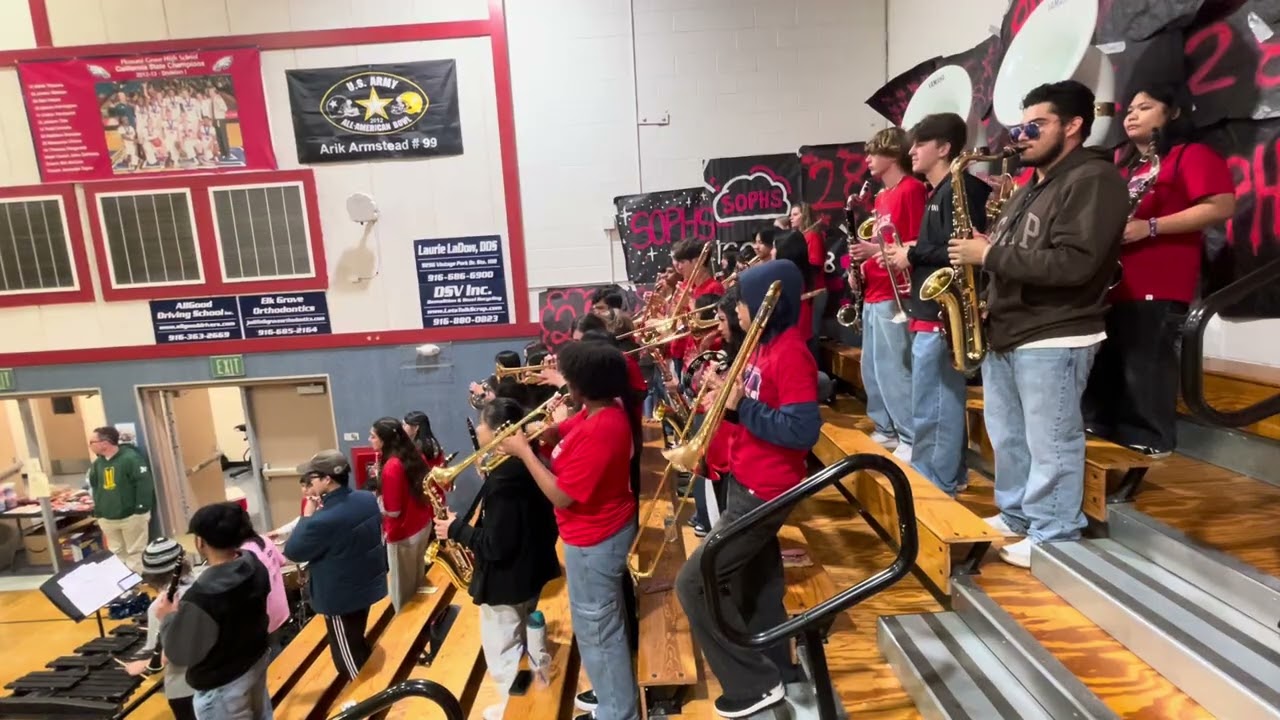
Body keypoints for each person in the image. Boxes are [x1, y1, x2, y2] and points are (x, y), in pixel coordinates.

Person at [949, 80, 1129, 568]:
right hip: (1012, 329)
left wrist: (990, 254)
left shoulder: (1093, 180)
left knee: (1050, 440)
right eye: (1019, 126)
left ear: (1073, 126)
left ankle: (1054, 531)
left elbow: (1075, 264)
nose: (1021, 135)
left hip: (1056, 330)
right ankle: (1019, 515)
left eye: (1035, 125)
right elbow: (1021, 254)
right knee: (1007, 436)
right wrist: (985, 291)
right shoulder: (1038, 184)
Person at [675, 260, 821, 718]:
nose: (736, 309)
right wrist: (725, 390)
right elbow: (756, 403)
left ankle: (753, 684)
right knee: (756, 586)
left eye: (743, 301)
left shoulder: (791, 352)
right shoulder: (763, 347)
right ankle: (779, 667)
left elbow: (802, 431)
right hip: (746, 478)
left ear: (763, 306)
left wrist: (741, 411)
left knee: (694, 581)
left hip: (767, 488)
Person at [1082, 83, 1235, 458]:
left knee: (1144, 363)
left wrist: (1151, 227)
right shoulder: (1124, 167)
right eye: (1130, 109)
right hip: (1114, 282)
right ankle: (1102, 432)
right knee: (1110, 363)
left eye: (1145, 107)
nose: (1131, 114)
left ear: (1173, 114)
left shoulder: (1189, 155)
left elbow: (1221, 205)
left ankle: (1149, 441)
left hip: (1160, 280)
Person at [497, 341, 640, 720]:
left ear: (582, 386)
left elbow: (561, 496)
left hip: (597, 540)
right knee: (597, 626)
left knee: (597, 631)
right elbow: (565, 428)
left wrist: (525, 454)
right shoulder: (598, 411)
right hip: (592, 536)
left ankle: (617, 712)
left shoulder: (605, 426)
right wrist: (543, 435)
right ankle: (612, 699)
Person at [435, 398, 561, 720]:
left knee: (503, 652)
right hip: (531, 572)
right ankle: (527, 703)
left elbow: (495, 545)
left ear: (496, 431)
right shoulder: (530, 465)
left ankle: (512, 709)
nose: (478, 429)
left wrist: (455, 529)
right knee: (527, 643)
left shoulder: (504, 482)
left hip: (506, 581)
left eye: (482, 424)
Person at [888, 112, 991, 495]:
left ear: (944, 148)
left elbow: (958, 250)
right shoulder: (941, 190)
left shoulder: (961, 188)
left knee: (936, 406)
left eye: (920, 143)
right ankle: (945, 473)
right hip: (931, 314)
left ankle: (938, 480)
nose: (911, 151)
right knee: (931, 404)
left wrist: (912, 255)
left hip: (943, 319)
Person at [851, 128, 927, 460]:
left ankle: (910, 435)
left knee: (895, 368)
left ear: (892, 154)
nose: (867, 159)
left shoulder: (911, 190)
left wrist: (873, 250)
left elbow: (916, 243)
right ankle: (887, 427)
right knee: (873, 368)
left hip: (894, 295)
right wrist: (862, 270)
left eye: (873, 152)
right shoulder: (881, 197)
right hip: (874, 291)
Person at [158, 503, 272, 720]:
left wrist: (168, 617)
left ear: (200, 542)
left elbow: (180, 653)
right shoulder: (254, 564)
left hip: (223, 685)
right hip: (254, 663)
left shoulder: (203, 596)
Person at [284, 451, 388, 680]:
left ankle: (365, 701)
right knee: (356, 638)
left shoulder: (323, 520)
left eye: (311, 479)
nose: (308, 486)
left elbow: (293, 551)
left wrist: (307, 516)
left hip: (340, 597)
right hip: (366, 584)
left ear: (327, 480)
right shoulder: (366, 499)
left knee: (347, 658)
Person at [122, 538, 196, 720]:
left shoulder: (159, 606)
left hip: (186, 687)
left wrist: (144, 665)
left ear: (150, 576)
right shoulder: (200, 584)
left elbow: (172, 651)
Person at [368, 418, 435, 611]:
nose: (369, 440)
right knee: (417, 581)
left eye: (373, 436)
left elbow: (394, 511)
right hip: (421, 524)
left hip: (403, 532)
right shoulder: (414, 455)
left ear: (385, 440)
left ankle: (405, 630)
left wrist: (376, 505)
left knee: (402, 592)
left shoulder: (391, 466)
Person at [87, 426, 155, 573]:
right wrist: (99, 512)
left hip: (131, 516)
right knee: (115, 552)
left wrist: (140, 509)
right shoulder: (97, 464)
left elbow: (144, 484)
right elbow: (95, 487)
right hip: (107, 517)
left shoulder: (131, 459)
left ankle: (136, 582)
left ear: (105, 443)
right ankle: (121, 583)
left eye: (92, 441)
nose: (90, 445)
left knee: (135, 551)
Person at [234, 517, 291, 656]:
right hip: (280, 607)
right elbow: (282, 562)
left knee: (269, 652)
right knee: (275, 645)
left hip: (264, 613)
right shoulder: (263, 540)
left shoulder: (241, 553)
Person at [788, 203, 829, 341]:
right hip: (806, 293)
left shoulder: (812, 236)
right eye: (790, 215)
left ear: (804, 215)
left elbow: (814, 266)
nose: (791, 218)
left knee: (811, 335)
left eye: (795, 214)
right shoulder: (799, 237)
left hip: (815, 292)